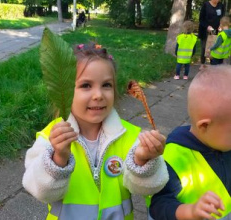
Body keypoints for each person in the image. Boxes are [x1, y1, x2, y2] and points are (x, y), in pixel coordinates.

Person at [23, 42, 169, 219]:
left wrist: (142, 160)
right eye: (86, 85)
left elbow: (149, 187)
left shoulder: (130, 136)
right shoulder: (50, 139)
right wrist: (58, 159)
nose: (99, 95)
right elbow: (39, 191)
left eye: (106, 85)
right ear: (65, 91)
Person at [150, 65, 231, 220]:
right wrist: (190, 212)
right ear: (205, 125)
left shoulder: (223, 143)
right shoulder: (174, 159)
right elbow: (159, 205)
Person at [198, 0, 225, 64]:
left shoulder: (221, 5)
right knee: (204, 48)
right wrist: (207, 26)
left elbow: (222, 17)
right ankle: (202, 63)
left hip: (216, 30)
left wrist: (221, 25)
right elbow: (201, 19)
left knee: (214, 47)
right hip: (205, 31)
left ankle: (212, 65)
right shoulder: (205, 5)